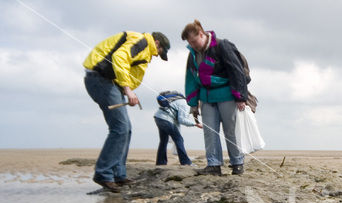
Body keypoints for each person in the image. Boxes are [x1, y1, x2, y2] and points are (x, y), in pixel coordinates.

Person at [83, 31, 171, 192]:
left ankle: (118, 174)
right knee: (120, 128)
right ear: (157, 43)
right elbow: (119, 57)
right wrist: (128, 89)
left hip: (110, 83)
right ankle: (103, 174)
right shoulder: (142, 41)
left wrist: (126, 91)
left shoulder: (144, 46)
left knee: (126, 129)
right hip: (100, 79)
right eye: (160, 52)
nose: (157, 56)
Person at [181, 20, 248, 176]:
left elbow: (236, 71)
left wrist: (240, 97)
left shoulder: (222, 46)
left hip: (226, 96)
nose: (193, 45)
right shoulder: (192, 55)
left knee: (230, 130)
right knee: (210, 132)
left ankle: (237, 163)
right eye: (190, 43)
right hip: (206, 98)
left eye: (194, 41)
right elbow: (191, 79)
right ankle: (213, 165)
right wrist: (193, 104)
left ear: (201, 34)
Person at [153, 91, 203, 166]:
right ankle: (186, 162)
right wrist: (195, 124)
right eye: (197, 108)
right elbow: (182, 120)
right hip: (166, 119)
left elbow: (177, 123)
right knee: (179, 139)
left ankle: (161, 162)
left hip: (158, 117)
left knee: (164, 141)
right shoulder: (186, 104)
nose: (194, 111)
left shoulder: (181, 101)